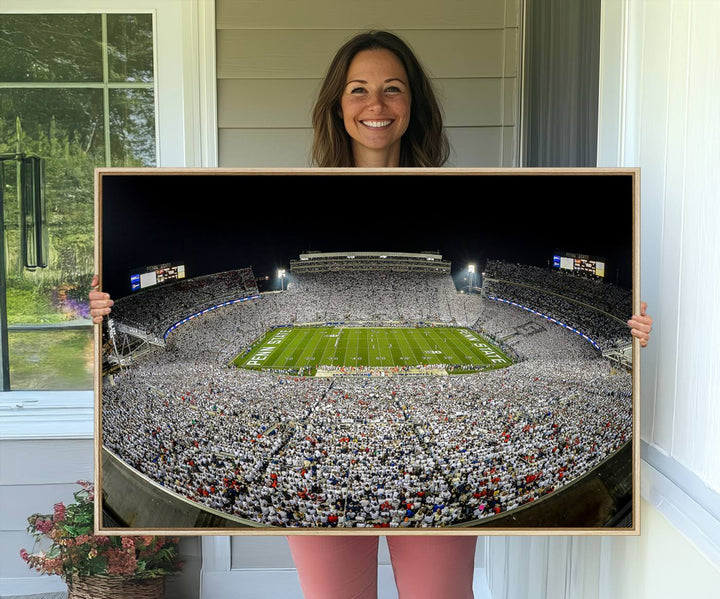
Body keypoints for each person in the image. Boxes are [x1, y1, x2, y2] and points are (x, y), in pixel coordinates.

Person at [89, 30, 653, 599]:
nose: (376, 105)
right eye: (358, 90)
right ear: (338, 104)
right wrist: (98, 313)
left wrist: (630, 329)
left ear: (414, 104)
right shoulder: (294, 189)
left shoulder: (457, 189)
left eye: (393, 89)